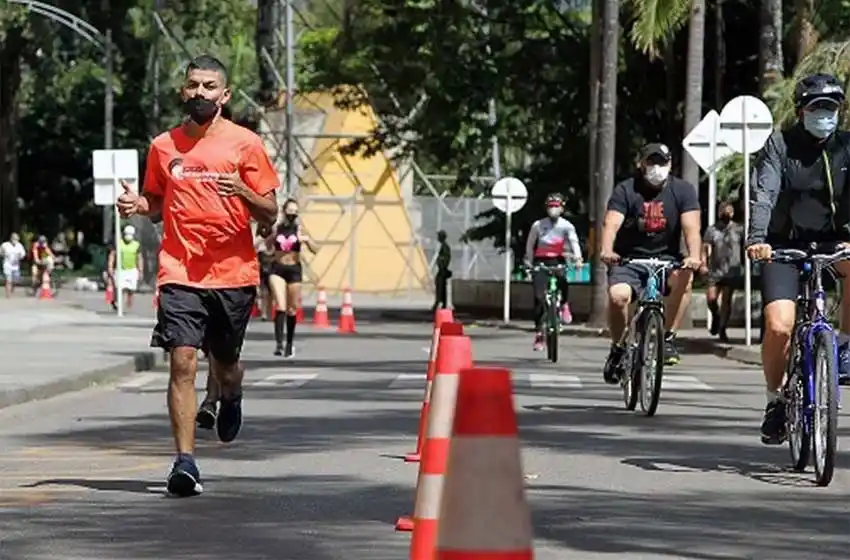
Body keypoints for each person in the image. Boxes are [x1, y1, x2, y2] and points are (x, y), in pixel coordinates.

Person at [116, 54, 279, 497]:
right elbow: (154, 201)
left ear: (224, 96)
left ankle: (232, 392)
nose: (201, 93)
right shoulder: (163, 147)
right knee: (183, 360)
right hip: (180, 270)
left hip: (233, 273)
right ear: (182, 92)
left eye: (210, 86)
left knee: (225, 366)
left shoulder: (245, 144)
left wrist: (243, 191)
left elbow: (270, 211)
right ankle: (185, 463)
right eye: (194, 85)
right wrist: (139, 207)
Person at [746, 73, 850, 445]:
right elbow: (765, 192)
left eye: (832, 107)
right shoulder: (780, 146)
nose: (825, 114)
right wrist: (757, 238)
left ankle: (845, 344)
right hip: (782, 247)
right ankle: (775, 400)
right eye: (817, 107)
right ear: (801, 110)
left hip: (835, 242)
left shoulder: (846, 147)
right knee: (779, 325)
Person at [600, 143, 701, 383]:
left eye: (662, 162)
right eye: (651, 162)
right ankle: (618, 347)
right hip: (629, 260)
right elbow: (611, 223)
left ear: (670, 164)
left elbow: (692, 229)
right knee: (618, 297)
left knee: (684, 278)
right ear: (641, 164)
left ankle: (667, 338)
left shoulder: (683, 190)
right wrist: (607, 250)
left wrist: (694, 256)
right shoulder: (626, 190)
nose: (657, 168)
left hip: (667, 261)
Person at [524, 193, 583, 351]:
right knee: (538, 297)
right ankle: (539, 333)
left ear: (562, 208)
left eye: (557, 206)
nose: (553, 209)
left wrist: (578, 259)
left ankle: (564, 304)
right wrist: (529, 262)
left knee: (563, 280)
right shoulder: (538, 225)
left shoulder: (567, 226)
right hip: (540, 262)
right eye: (551, 206)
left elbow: (574, 242)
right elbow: (530, 244)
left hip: (558, 260)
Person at [267, 198, 317, 357]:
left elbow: (316, 249)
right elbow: (268, 247)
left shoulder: (300, 229)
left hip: (294, 269)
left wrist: (307, 241)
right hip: (278, 268)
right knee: (280, 306)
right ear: (284, 212)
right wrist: (269, 239)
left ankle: (289, 343)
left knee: (292, 308)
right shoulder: (277, 228)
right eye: (290, 212)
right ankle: (279, 344)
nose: (292, 216)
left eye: (295, 213)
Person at [701, 201, 744, 342]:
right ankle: (716, 315)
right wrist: (704, 264)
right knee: (711, 298)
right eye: (724, 211)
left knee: (727, 300)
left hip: (732, 269)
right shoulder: (712, 230)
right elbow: (705, 247)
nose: (727, 214)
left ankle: (722, 329)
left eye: (729, 211)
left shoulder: (738, 229)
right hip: (715, 269)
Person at [107, 225, 144, 312]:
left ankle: (129, 303)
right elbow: (112, 255)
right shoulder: (119, 243)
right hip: (121, 269)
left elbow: (139, 258)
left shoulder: (136, 245)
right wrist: (110, 266)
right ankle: (117, 302)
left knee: (131, 289)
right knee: (119, 287)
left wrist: (140, 270)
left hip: (132, 270)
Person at [432, 230, 452, 312]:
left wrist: (441, 264)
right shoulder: (443, 246)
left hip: (442, 270)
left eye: (439, 236)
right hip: (441, 269)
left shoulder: (445, 246)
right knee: (440, 286)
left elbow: (446, 258)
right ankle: (441, 303)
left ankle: (440, 303)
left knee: (441, 287)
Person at [1, 233, 26, 298]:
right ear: (11, 238)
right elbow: (1, 252)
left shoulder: (19, 246)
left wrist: (20, 255)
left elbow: (23, 254)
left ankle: (12, 287)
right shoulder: (5, 245)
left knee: (15, 280)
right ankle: (8, 294)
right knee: (8, 280)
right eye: (14, 238)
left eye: (17, 239)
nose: (15, 240)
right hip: (7, 264)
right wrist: (3, 254)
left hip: (15, 266)